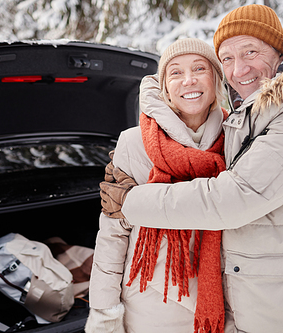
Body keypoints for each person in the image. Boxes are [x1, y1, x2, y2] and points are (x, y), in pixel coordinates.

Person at [100, 4, 283, 333]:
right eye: (227, 58)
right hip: (254, 302)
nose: (239, 70)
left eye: (250, 51)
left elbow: (234, 198)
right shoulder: (250, 117)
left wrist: (131, 202)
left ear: (279, 51)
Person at [86, 38, 229, 333]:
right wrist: (104, 311)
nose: (188, 80)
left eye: (199, 68)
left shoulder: (236, 139)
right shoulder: (135, 142)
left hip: (220, 301)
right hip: (150, 301)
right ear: (164, 87)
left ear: (216, 79)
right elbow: (113, 232)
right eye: (175, 72)